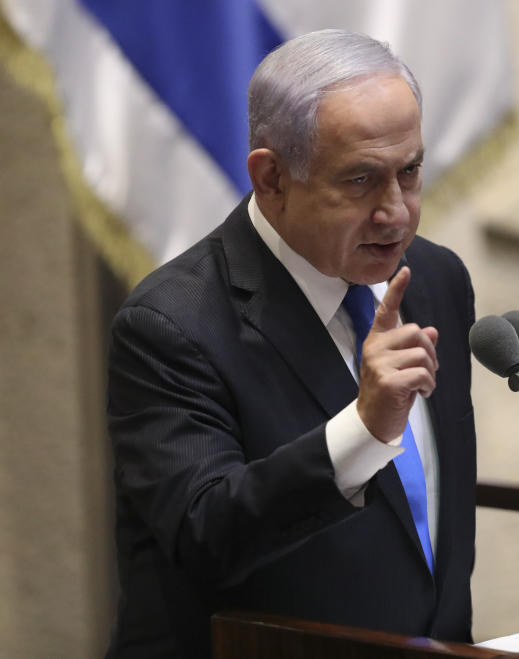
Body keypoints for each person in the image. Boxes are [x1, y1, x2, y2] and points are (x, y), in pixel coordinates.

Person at [105, 30, 477, 658]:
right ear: (272, 177)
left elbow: (430, 513)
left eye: (409, 172)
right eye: (360, 181)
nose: (396, 213)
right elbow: (205, 537)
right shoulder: (170, 325)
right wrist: (361, 429)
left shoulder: (436, 279)